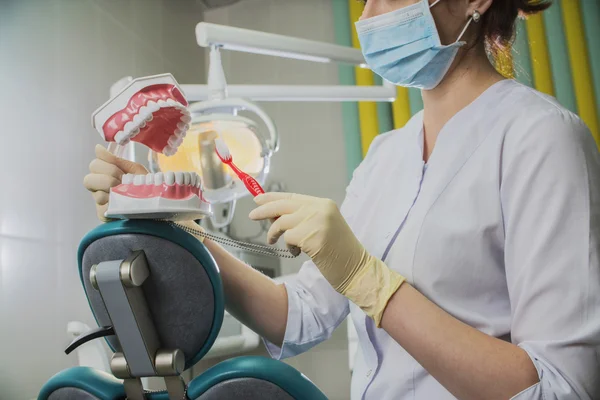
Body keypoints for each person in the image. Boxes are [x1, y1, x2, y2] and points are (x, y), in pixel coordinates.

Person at [84, 0, 600, 398]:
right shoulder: (385, 156)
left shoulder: (541, 138)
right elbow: (301, 314)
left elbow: (559, 387)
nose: (370, 16)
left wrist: (366, 279)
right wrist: (170, 222)